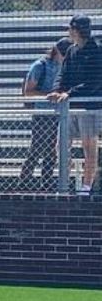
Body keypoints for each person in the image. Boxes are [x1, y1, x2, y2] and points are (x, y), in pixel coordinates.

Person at [50, 14, 102, 195]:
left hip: (89, 108)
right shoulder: (72, 50)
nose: (69, 31)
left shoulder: (97, 50)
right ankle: (64, 183)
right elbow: (62, 75)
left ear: (77, 30)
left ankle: (86, 186)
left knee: (89, 147)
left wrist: (69, 93)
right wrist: (57, 89)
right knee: (61, 146)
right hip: (70, 107)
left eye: (71, 28)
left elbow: (94, 81)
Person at [20, 38, 69, 187]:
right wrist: (49, 95)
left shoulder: (65, 66)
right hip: (42, 112)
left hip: (58, 113)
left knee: (52, 150)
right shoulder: (40, 66)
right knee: (37, 147)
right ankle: (25, 181)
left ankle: (46, 183)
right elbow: (28, 92)